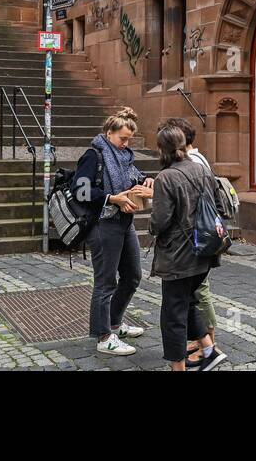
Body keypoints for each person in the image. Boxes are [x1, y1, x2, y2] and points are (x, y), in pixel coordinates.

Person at [75, 107, 154, 356]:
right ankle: (103, 336)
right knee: (105, 282)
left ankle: (115, 323)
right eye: (122, 138)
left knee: (132, 276)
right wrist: (112, 199)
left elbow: (133, 177)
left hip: (123, 223)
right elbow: (82, 191)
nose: (126, 143)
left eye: (129, 139)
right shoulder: (93, 156)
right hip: (102, 225)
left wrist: (147, 180)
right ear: (109, 133)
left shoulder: (125, 156)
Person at [150, 122, 219, 371]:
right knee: (188, 301)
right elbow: (218, 206)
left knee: (172, 315)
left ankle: (177, 367)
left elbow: (159, 221)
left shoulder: (166, 177)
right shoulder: (202, 169)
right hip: (205, 251)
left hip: (178, 257)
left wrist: (151, 227)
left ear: (161, 149)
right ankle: (209, 348)